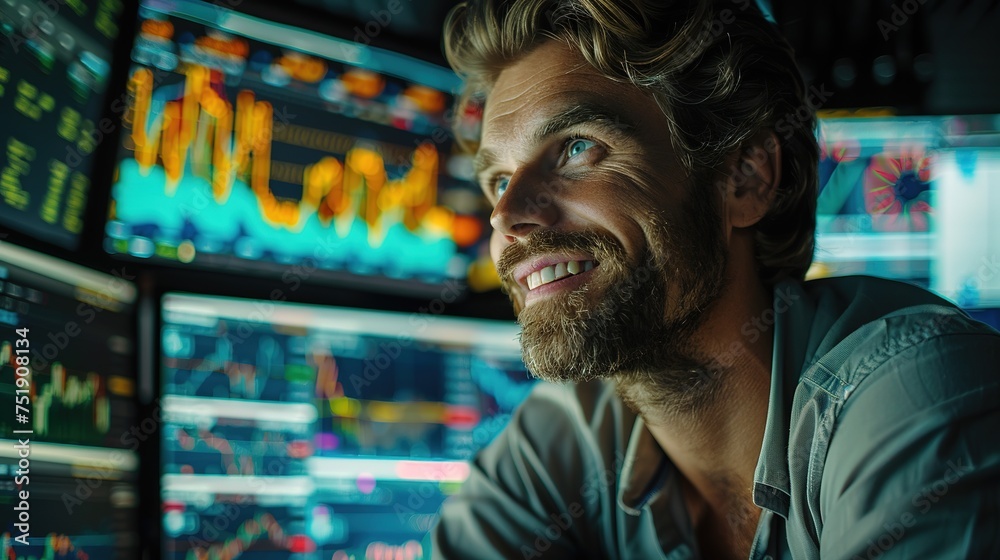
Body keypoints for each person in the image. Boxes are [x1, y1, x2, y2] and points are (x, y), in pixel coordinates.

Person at [430, 0, 1000, 558]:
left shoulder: (915, 393)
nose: (507, 216)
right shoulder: (560, 441)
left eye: (577, 147)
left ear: (746, 178)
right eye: (499, 182)